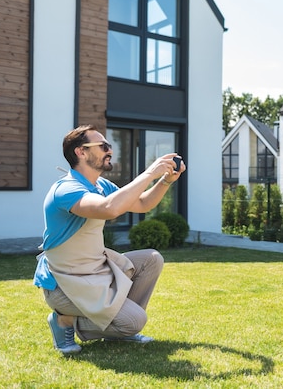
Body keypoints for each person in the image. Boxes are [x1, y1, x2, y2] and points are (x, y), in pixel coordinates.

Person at [33, 125, 186, 354]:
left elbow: (142, 204)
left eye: (110, 146)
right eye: (103, 146)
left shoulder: (101, 185)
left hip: (96, 274)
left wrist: (165, 181)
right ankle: (64, 321)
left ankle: (120, 329)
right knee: (134, 321)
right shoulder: (66, 190)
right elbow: (109, 208)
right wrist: (148, 173)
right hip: (65, 286)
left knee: (151, 259)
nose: (110, 151)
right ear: (81, 152)